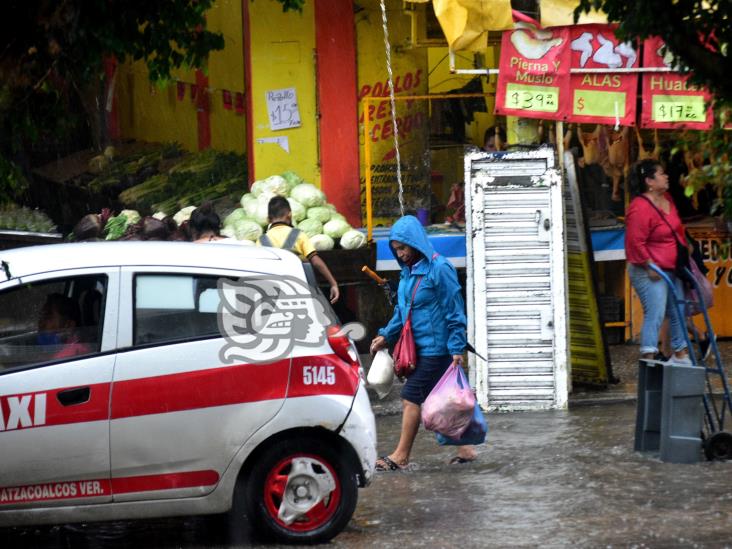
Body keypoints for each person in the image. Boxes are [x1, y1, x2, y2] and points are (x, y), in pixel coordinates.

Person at [370, 215, 476, 470]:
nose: (401, 254)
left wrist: (455, 348)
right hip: (418, 348)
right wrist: (386, 335)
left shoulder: (440, 269)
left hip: (438, 348)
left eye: (403, 248)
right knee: (436, 399)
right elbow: (402, 312)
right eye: (396, 250)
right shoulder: (408, 273)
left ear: (415, 243)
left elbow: (455, 310)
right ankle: (466, 449)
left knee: (410, 397)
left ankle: (401, 455)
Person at [625, 159, 691, 364]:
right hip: (650, 269)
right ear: (649, 181)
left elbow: (676, 228)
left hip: (672, 267)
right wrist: (648, 263)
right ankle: (649, 356)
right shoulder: (640, 207)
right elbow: (635, 241)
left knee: (678, 309)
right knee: (656, 311)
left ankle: (681, 354)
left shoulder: (668, 199)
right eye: (661, 174)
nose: (667, 176)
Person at [257, 196, 340, 304]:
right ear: (290, 215)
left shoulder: (261, 240)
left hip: (272, 296)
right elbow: (316, 261)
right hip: (298, 294)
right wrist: (333, 283)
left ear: (268, 219)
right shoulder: (298, 235)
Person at [37, 293, 92, 359]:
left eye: (48, 317)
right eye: (41, 316)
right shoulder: (56, 352)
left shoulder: (74, 354)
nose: (41, 323)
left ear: (69, 326)